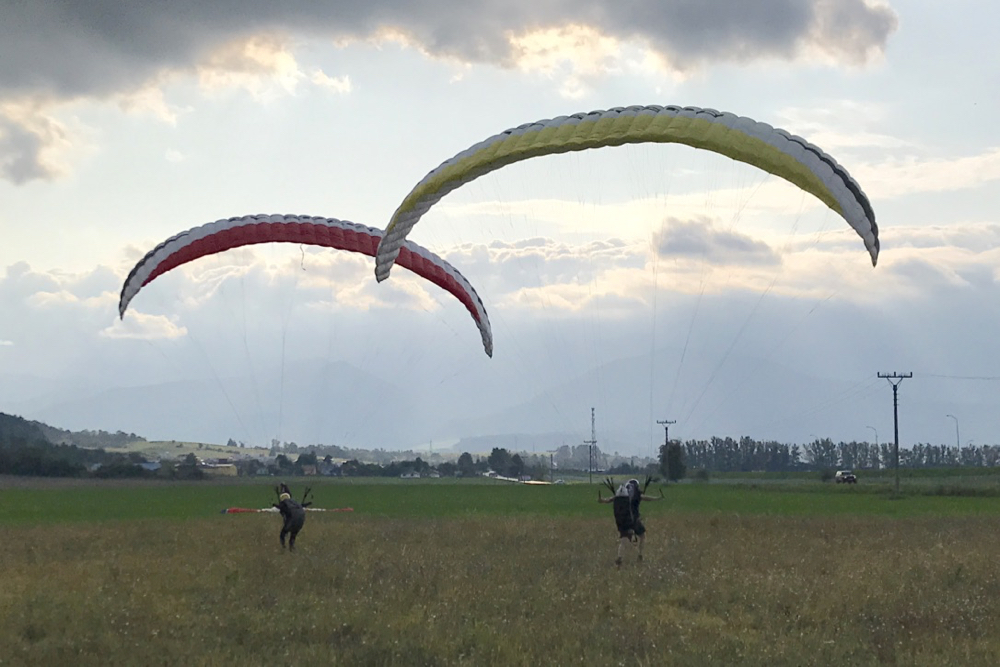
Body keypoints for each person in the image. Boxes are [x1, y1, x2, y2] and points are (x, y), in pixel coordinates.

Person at [598, 477, 662, 567]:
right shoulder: (636, 494)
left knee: (624, 540)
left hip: (622, 520)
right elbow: (647, 498)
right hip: (634, 520)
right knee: (642, 535)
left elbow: (609, 500)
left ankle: (619, 557)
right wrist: (657, 498)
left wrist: (602, 500)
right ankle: (640, 555)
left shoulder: (622, 496)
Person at [273, 483, 310, 551]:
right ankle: (292, 547)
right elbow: (301, 506)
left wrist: (276, 506)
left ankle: (283, 548)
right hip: (301, 519)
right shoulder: (294, 502)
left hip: (292, 519)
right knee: (293, 533)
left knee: (283, 534)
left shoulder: (284, 503)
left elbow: (283, 509)